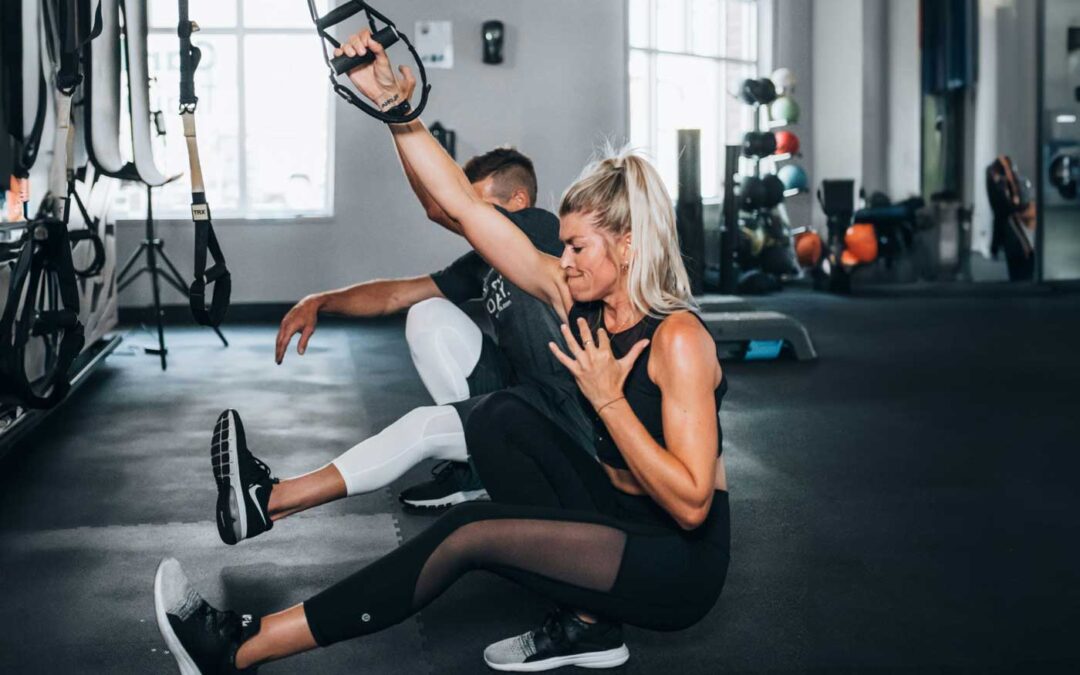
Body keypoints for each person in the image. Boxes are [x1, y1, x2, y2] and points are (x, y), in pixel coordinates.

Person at [155, 29, 729, 673]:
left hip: (676, 563)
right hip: (616, 512)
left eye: (577, 248)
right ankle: (588, 624)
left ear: (627, 246)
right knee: (500, 415)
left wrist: (608, 401)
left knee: (466, 535)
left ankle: (240, 646)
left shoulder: (677, 339)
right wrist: (396, 110)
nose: (563, 260)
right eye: (563, 246)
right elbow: (461, 206)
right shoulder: (578, 298)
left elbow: (691, 506)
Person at [213, 147, 597, 544]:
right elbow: (396, 296)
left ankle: (269, 500)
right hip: (520, 396)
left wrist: (398, 120)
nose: (473, 219)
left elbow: (443, 209)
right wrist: (321, 301)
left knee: (422, 428)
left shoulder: (541, 228)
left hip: (562, 415)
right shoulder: (485, 262)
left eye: (480, 205)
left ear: (518, 201)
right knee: (427, 313)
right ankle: (475, 470)